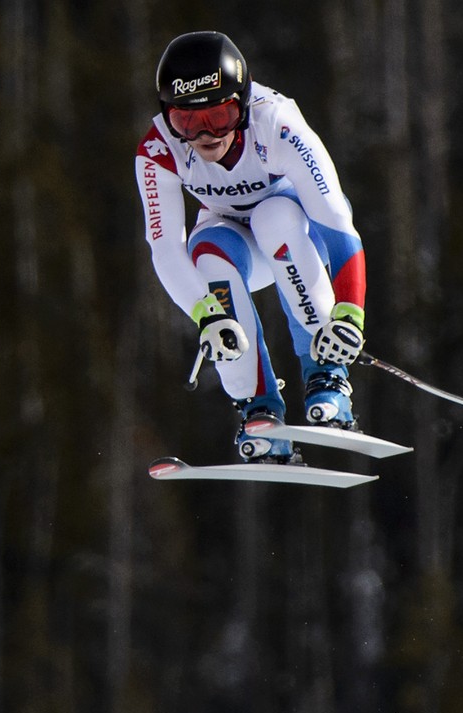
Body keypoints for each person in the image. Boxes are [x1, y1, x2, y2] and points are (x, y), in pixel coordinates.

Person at [135, 31, 367, 464]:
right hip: (233, 241)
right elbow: (166, 248)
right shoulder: (157, 149)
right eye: (188, 122)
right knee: (205, 252)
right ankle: (258, 410)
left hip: (296, 235)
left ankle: (327, 380)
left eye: (220, 117)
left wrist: (350, 311)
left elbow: (336, 222)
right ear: (168, 117)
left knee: (274, 215)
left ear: (242, 105)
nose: (206, 135)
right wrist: (206, 316)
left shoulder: (276, 123)